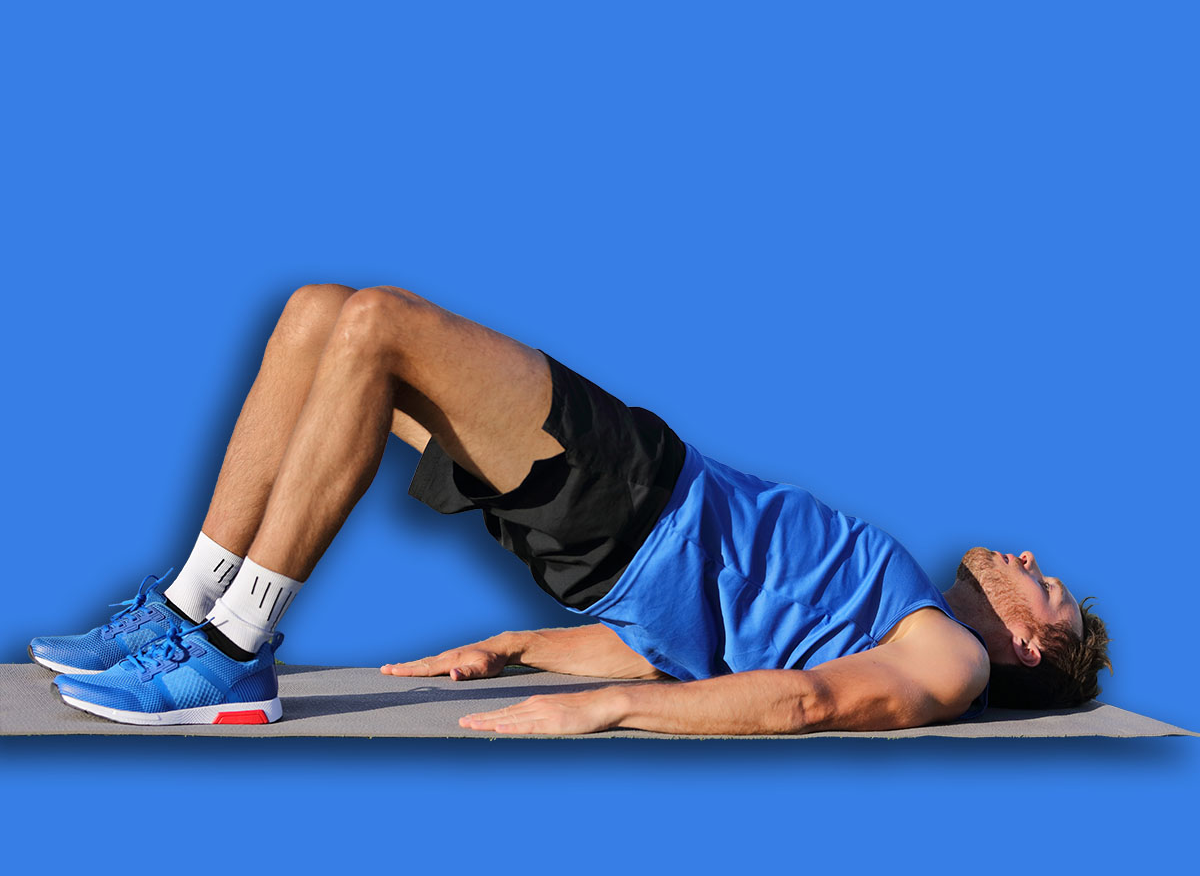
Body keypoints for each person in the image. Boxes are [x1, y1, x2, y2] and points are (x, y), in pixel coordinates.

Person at [29, 284, 1111, 734]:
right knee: (321, 316)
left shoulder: (951, 664)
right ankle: (189, 607)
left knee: (376, 327)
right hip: (616, 543)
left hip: (639, 496)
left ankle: (232, 644)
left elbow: (802, 704)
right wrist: (520, 648)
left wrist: (603, 713)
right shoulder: (898, 610)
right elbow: (699, 651)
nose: (1025, 558)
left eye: (1046, 588)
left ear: (1026, 646)